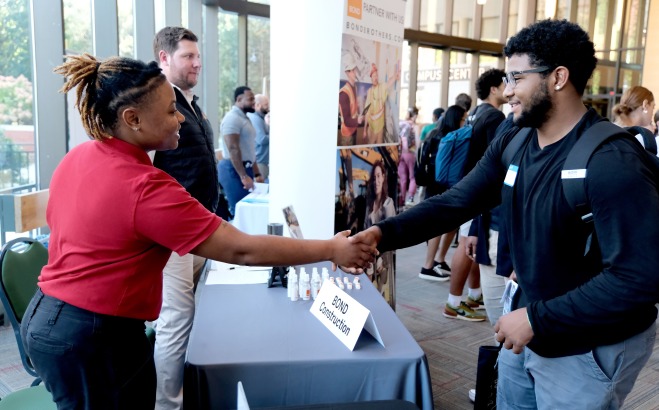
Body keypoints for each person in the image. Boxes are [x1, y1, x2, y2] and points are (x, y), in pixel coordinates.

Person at [20, 53, 376, 410]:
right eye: (171, 111)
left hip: (46, 321)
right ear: (133, 119)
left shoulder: (78, 157)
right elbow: (242, 250)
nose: (180, 120)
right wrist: (331, 249)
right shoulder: (144, 186)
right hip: (93, 338)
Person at [350, 19, 659, 408]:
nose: (507, 90)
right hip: (528, 326)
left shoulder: (611, 161)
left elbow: (639, 278)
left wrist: (536, 319)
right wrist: (381, 235)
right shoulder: (515, 138)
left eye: (516, 77)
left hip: (588, 346)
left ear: (558, 77)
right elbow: (456, 201)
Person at [151, 26, 219, 410]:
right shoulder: (155, 106)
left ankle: (187, 393)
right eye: (188, 57)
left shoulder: (188, 102)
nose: (197, 62)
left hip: (200, 226)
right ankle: (167, 405)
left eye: (197, 55)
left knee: (195, 314)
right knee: (176, 319)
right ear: (164, 58)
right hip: (171, 235)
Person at [441, 68, 508, 322]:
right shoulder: (494, 118)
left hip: (468, 185)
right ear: (494, 88)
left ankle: (472, 295)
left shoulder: (476, 114)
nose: (509, 89)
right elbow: (497, 159)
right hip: (479, 190)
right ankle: (453, 303)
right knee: (468, 242)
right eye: (506, 83)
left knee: (469, 242)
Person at [418, 105, 465, 282]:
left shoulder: (434, 133)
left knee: (450, 224)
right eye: (462, 119)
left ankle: (439, 260)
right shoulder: (450, 137)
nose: (464, 122)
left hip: (433, 184)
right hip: (441, 184)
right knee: (438, 225)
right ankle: (428, 266)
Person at [218, 86, 264, 216]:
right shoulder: (232, 118)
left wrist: (256, 173)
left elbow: (249, 148)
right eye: (250, 99)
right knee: (240, 211)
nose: (254, 102)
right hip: (233, 170)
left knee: (248, 212)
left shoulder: (244, 118)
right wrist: (243, 176)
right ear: (239, 99)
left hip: (245, 168)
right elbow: (233, 149)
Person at [364, 159, 396, 293]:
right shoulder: (369, 205)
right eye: (374, 177)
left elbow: (391, 235)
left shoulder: (388, 203)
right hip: (369, 256)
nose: (376, 181)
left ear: (383, 178)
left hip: (383, 258)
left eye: (379, 176)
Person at [612, 86, 657, 151]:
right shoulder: (639, 139)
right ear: (645, 105)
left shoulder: (613, 129)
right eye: (653, 107)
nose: (652, 113)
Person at [363, 63, 399, 145]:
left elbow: (389, 83)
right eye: (374, 76)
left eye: (376, 76)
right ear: (371, 78)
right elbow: (366, 112)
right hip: (371, 127)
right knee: (370, 146)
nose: (375, 78)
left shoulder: (382, 87)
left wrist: (395, 76)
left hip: (380, 127)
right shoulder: (369, 92)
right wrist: (364, 130)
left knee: (379, 147)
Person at [338, 53, 364, 146]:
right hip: (347, 135)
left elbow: (353, 109)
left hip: (354, 130)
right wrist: (357, 121)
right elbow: (347, 120)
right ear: (347, 73)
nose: (355, 72)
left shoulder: (355, 87)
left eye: (354, 69)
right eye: (352, 70)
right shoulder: (344, 93)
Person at [398, 106, 419, 206]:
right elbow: (416, 141)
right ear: (415, 115)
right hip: (410, 153)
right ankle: (410, 198)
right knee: (412, 177)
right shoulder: (413, 126)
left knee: (403, 177)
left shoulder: (400, 124)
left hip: (400, 153)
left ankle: (401, 199)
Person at [247, 94, 270, 181]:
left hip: (262, 161)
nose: (268, 107)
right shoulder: (255, 119)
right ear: (257, 105)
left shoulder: (260, 118)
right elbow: (262, 139)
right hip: (259, 162)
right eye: (266, 105)